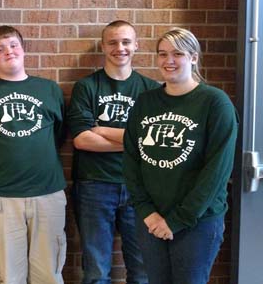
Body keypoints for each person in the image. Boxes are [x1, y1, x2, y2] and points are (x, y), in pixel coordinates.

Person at [123, 28, 238, 284]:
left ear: (194, 57)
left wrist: (178, 220)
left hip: (196, 223)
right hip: (151, 220)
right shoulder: (145, 102)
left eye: (177, 53)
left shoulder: (215, 103)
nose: (168, 60)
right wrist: (146, 211)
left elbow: (217, 171)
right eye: (162, 54)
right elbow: (131, 159)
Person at [0, 25, 67, 284]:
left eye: (13, 45)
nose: (8, 51)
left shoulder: (49, 90)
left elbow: (59, 134)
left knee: (48, 273)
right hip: (4, 195)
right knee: (8, 274)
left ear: (23, 49)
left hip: (48, 193)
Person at [67, 20, 158, 284]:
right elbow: (83, 140)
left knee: (142, 271)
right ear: (103, 47)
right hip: (94, 185)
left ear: (136, 45)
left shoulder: (151, 89)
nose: (120, 48)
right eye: (113, 42)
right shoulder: (87, 86)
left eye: (126, 41)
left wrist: (102, 129)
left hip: (140, 187)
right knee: (96, 272)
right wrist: (135, 141)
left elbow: (152, 142)